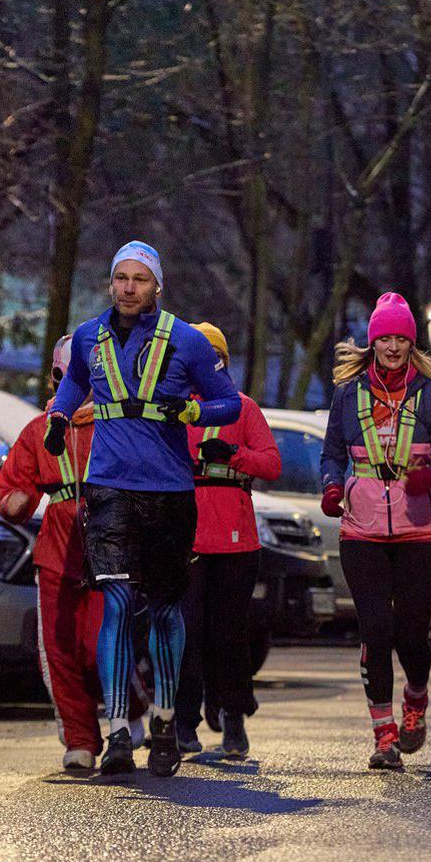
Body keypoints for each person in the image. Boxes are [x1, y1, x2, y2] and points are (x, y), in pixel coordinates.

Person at [48, 240, 241, 777]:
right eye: (121, 278)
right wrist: (59, 418)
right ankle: (115, 735)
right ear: (111, 283)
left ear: (157, 286)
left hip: (169, 492)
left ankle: (162, 722)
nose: (129, 287)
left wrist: (194, 408)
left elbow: (230, 401)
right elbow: (74, 384)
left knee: (163, 610)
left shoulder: (186, 341)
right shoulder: (88, 336)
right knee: (114, 603)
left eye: (140, 279)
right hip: (109, 489)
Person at [319, 292, 431, 771]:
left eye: (399, 337)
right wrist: (330, 486)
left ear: (411, 342)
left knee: (410, 635)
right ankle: (384, 737)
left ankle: (416, 699)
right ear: (372, 342)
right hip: (361, 530)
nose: (390, 346)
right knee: (375, 631)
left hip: (421, 531)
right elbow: (331, 455)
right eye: (383, 337)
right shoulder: (349, 394)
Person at [0, 336, 131, 771]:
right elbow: (14, 486)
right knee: (58, 649)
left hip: (109, 542)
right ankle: (79, 738)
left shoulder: (118, 423)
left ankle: (129, 714)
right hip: (57, 547)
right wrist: (15, 502)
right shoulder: (40, 429)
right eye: (64, 375)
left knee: (99, 645)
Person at [175, 322, 280, 759]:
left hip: (236, 540)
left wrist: (233, 455)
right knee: (187, 633)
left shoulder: (243, 408)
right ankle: (184, 720)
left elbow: (272, 464)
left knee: (230, 634)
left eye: (213, 356)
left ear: (223, 362)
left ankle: (233, 719)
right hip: (187, 535)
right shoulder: (177, 408)